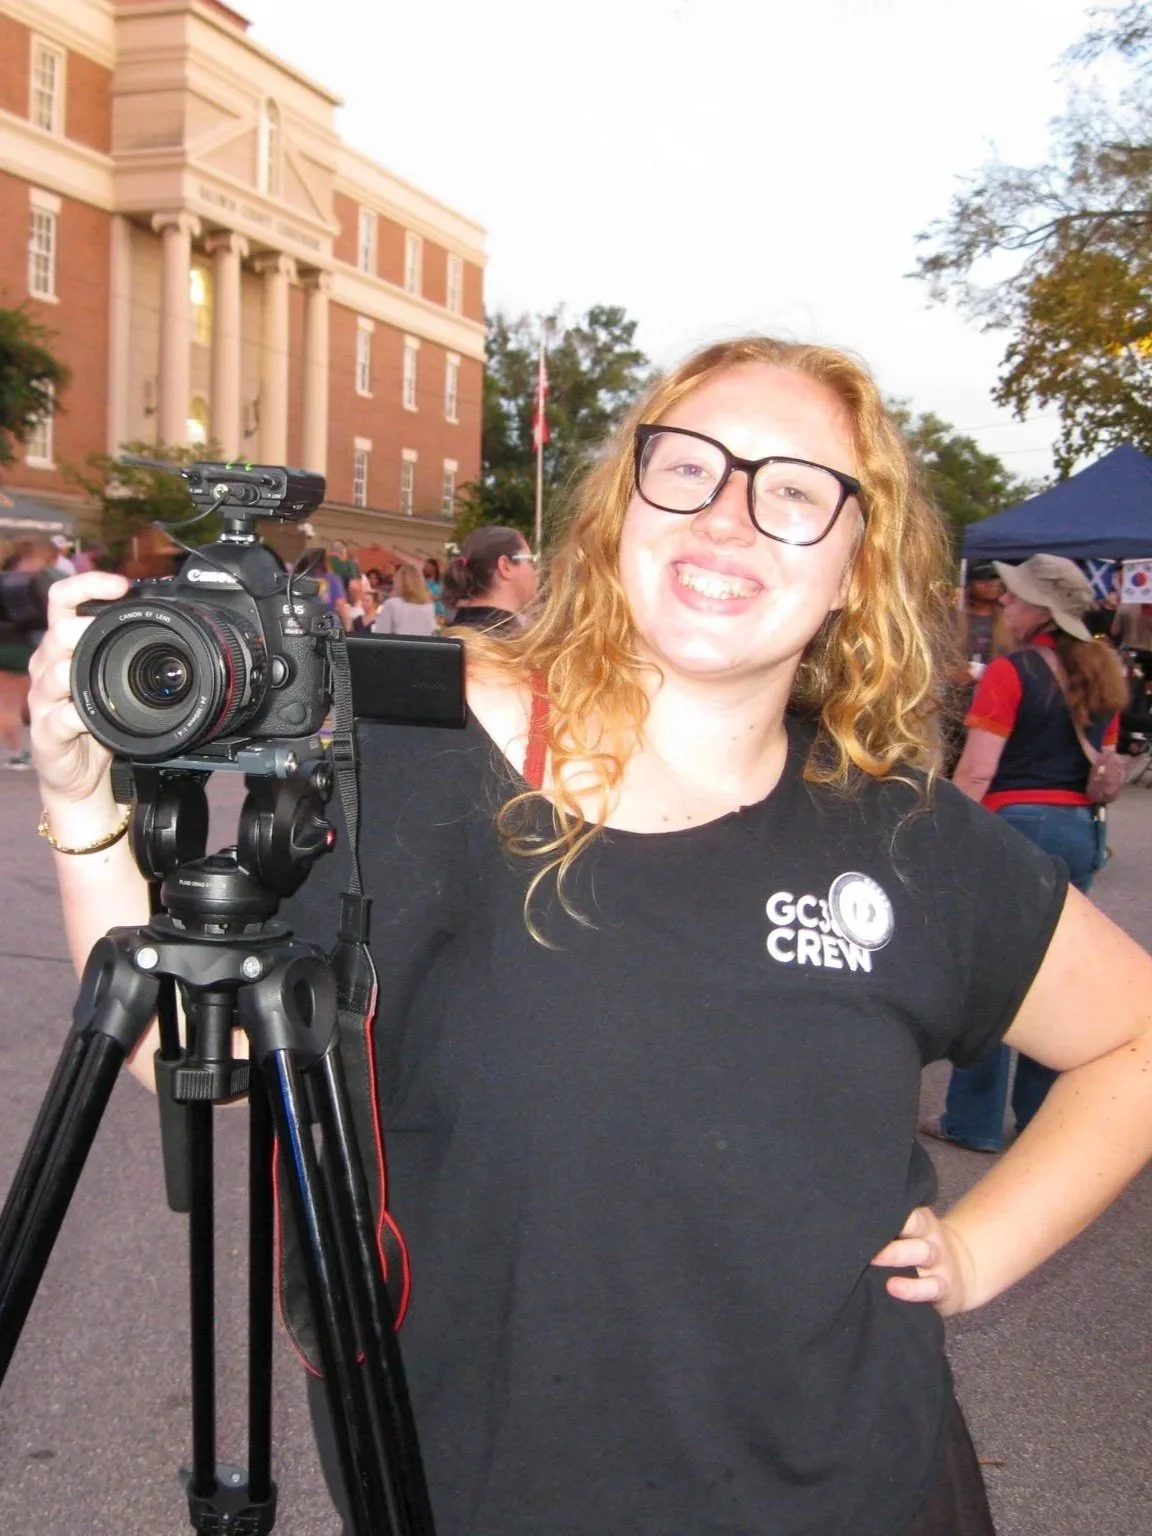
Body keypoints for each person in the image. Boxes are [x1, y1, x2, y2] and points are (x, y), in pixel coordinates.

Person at [24, 336, 1152, 1536]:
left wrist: (978, 1250)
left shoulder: (908, 837)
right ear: (624, 510)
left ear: (854, 569)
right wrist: (82, 807)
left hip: (860, 1491)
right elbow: (211, 1056)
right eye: (691, 468)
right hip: (482, 1489)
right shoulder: (416, 761)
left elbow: (1131, 1040)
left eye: (794, 492)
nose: (727, 516)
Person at [925, 554, 1129, 1154]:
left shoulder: (1011, 672)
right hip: (1079, 828)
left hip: (1014, 827)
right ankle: (1041, 1118)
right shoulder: (1106, 671)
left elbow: (977, 770)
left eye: (1015, 595)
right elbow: (1107, 766)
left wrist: (944, 838)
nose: (1005, 601)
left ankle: (973, 1121)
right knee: (1054, 979)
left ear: (1043, 608)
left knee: (994, 982)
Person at [940, 561, 1013, 774]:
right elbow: (937, 661)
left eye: (995, 578)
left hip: (996, 703)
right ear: (970, 584)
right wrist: (955, 672)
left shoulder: (1011, 621)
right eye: (983, 579)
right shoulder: (953, 619)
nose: (991, 584)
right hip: (957, 704)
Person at [0, 538, 61, 768]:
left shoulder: (6, 578)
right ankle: (42, 753)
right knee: (35, 703)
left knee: (8, 705)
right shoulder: (44, 579)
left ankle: (18, 751)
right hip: (29, 648)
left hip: (7, 647)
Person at [441, 524, 538, 634]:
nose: (536, 571)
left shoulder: (453, 632)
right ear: (505, 566)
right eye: (530, 561)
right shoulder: (507, 640)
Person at [370, 563, 439, 636]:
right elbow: (432, 632)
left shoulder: (392, 604)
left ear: (398, 581)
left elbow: (381, 633)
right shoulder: (429, 606)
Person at [422, 556, 446, 624]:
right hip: (427, 611)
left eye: (427, 566)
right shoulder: (424, 581)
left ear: (434, 567)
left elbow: (445, 595)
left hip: (440, 612)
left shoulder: (442, 581)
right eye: (425, 566)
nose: (425, 568)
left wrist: (436, 597)